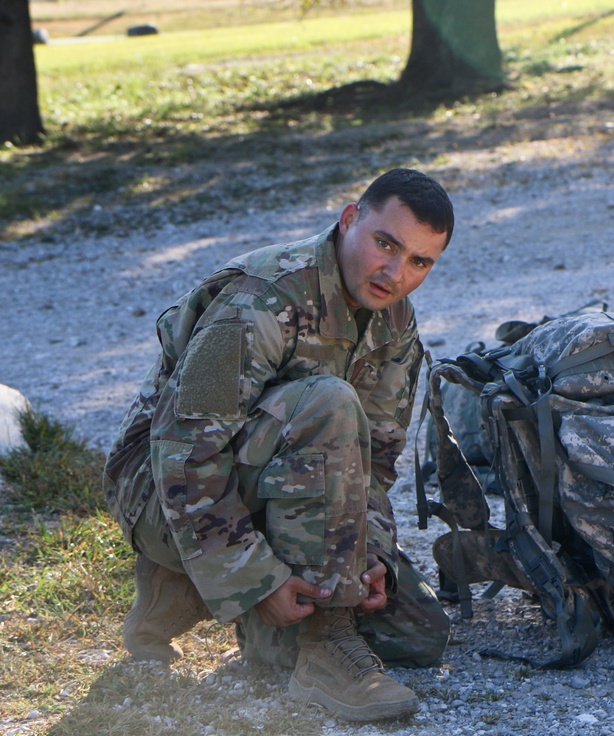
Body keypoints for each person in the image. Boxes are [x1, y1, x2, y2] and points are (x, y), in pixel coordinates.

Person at [103, 168, 455, 722]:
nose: (396, 272)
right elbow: (184, 452)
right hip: (158, 493)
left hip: (271, 489)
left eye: (419, 261)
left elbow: (375, 467)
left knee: (418, 633)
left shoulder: (395, 321)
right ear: (348, 220)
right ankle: (320, 646)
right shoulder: (262, 298)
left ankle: (186, 592)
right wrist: (252, 576)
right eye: (385, 244)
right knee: (328, 402)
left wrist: (372, 558)